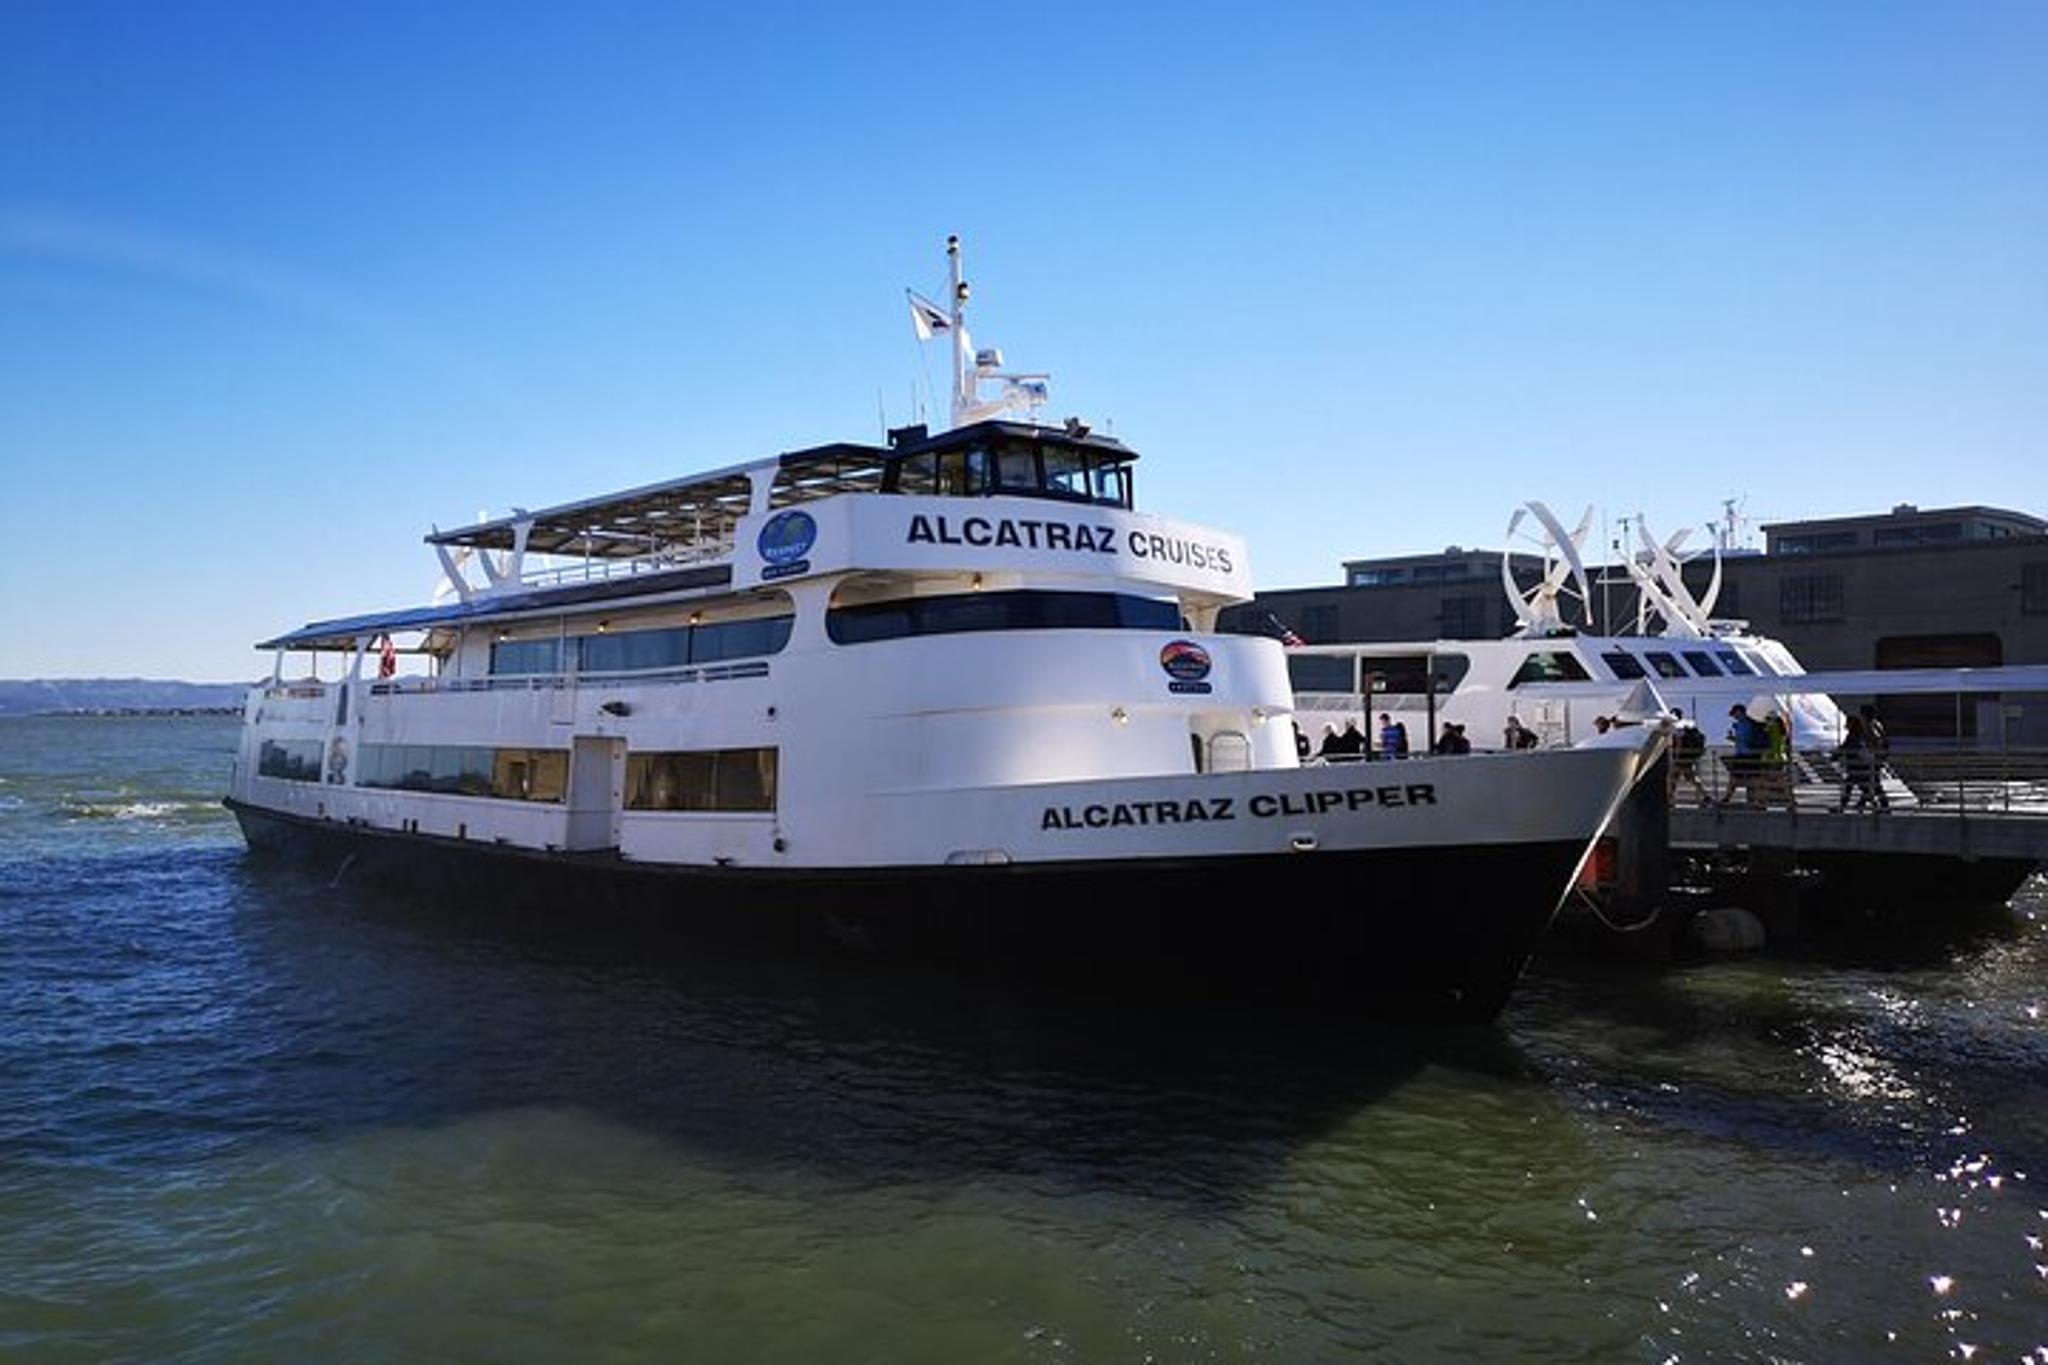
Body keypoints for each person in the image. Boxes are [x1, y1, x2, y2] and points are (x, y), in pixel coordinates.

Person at [1722, 704, 1765, 807]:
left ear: (1740, 712)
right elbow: (1743, 741)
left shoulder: (1746, 724)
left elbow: (1745, 740)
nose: (1734, 716)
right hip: (1748, 755)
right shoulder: (1747, 723)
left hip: (1746, 755)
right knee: (1750, 779)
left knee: (1740, 779)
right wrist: (1733, 738)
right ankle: (1757, 802)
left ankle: (1727, 799)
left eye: (1734, 714)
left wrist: (1734, 737)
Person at [1668, 708, 1710, 804]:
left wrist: (1676, 758)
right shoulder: (1687, 725)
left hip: (1681, 757)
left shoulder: (1678, 727)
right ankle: (1705, 796)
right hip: (1688, 757)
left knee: (1672, 777)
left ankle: (1670, 799)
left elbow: (1679, 743)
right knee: (1689, 777)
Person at [1835, 713, 1873, 812]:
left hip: (1857, 766)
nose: (1846, 724)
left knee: (1850, 786)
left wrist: (1835, 756)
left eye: (1848, 722)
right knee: (1862, 787)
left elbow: (1845, 747)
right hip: (1862, 765)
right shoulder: (1860, 734)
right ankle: (1867, 805)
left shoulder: (1853, 735)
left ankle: (1843, 807)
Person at [1859, 704, 1891, 811]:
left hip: (1874, 758)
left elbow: (1876, 739)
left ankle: (1884, 804)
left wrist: (1872, 749)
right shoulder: (1877, 723)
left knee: (1873, 782)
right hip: (1879, 757)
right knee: (1872, 782)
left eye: (1861, 714)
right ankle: (1863, 803)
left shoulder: (1870, 724)